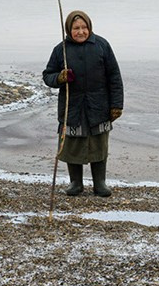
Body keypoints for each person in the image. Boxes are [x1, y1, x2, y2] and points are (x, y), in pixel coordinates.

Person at [43, 10, 124, 197]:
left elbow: (115, 77)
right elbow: (48, 76)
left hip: (99, 104)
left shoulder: (102, 45)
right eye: (76, 28)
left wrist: (116, 105)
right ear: (69, 30)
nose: (81, 31)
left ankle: (100, 184)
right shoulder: (60, 50)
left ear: (90, 27)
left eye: (84, 27)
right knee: (73, 144)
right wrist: (60, 77)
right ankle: (76, 184)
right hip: (72, 105)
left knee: (99, 143)